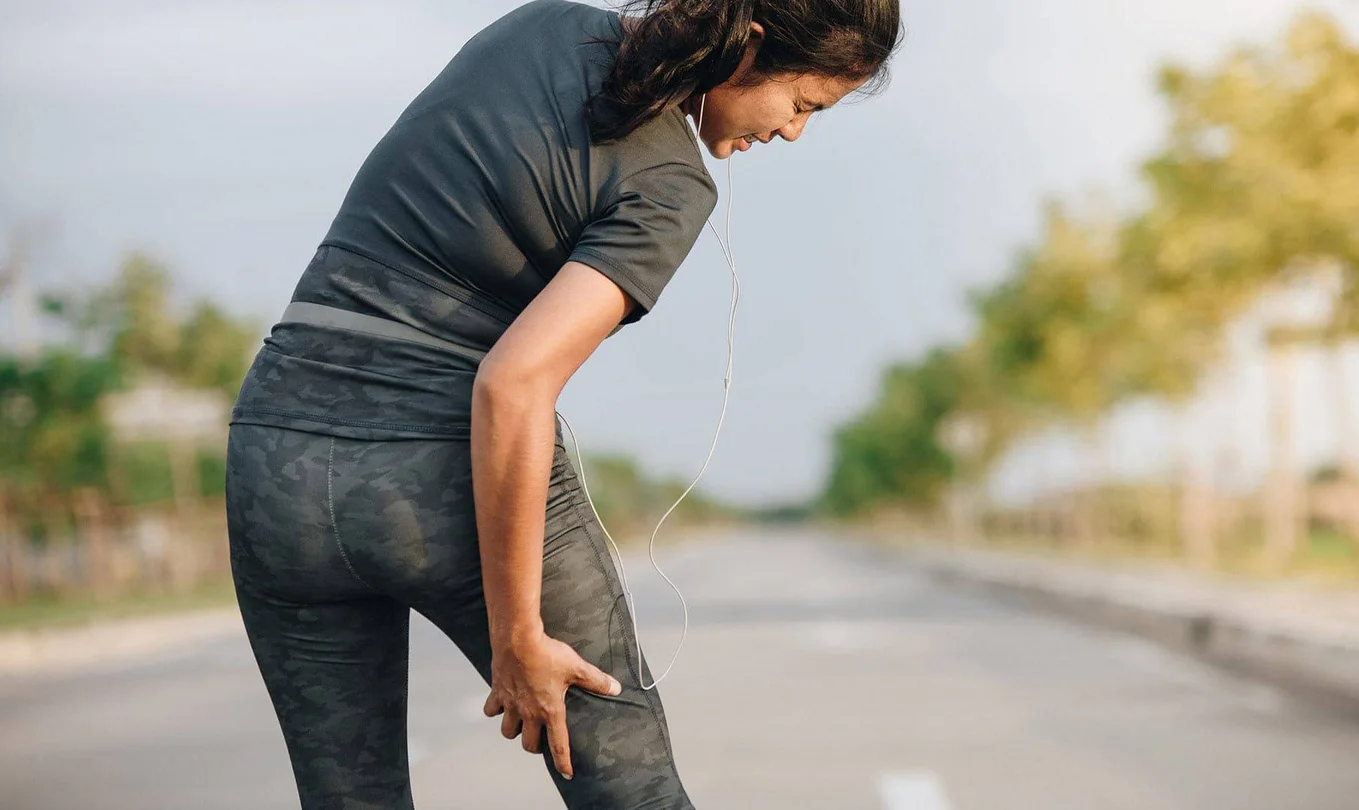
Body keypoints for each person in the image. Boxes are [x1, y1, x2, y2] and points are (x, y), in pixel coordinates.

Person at [224, 0, 902, 807]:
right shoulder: (672, 185)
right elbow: (512, 384)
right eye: (802, 106)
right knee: (632, 791)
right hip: (436, 468)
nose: (792, 133)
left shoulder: (541, 25)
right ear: (749, 47)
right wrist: (517, 636)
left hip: (273, 461)